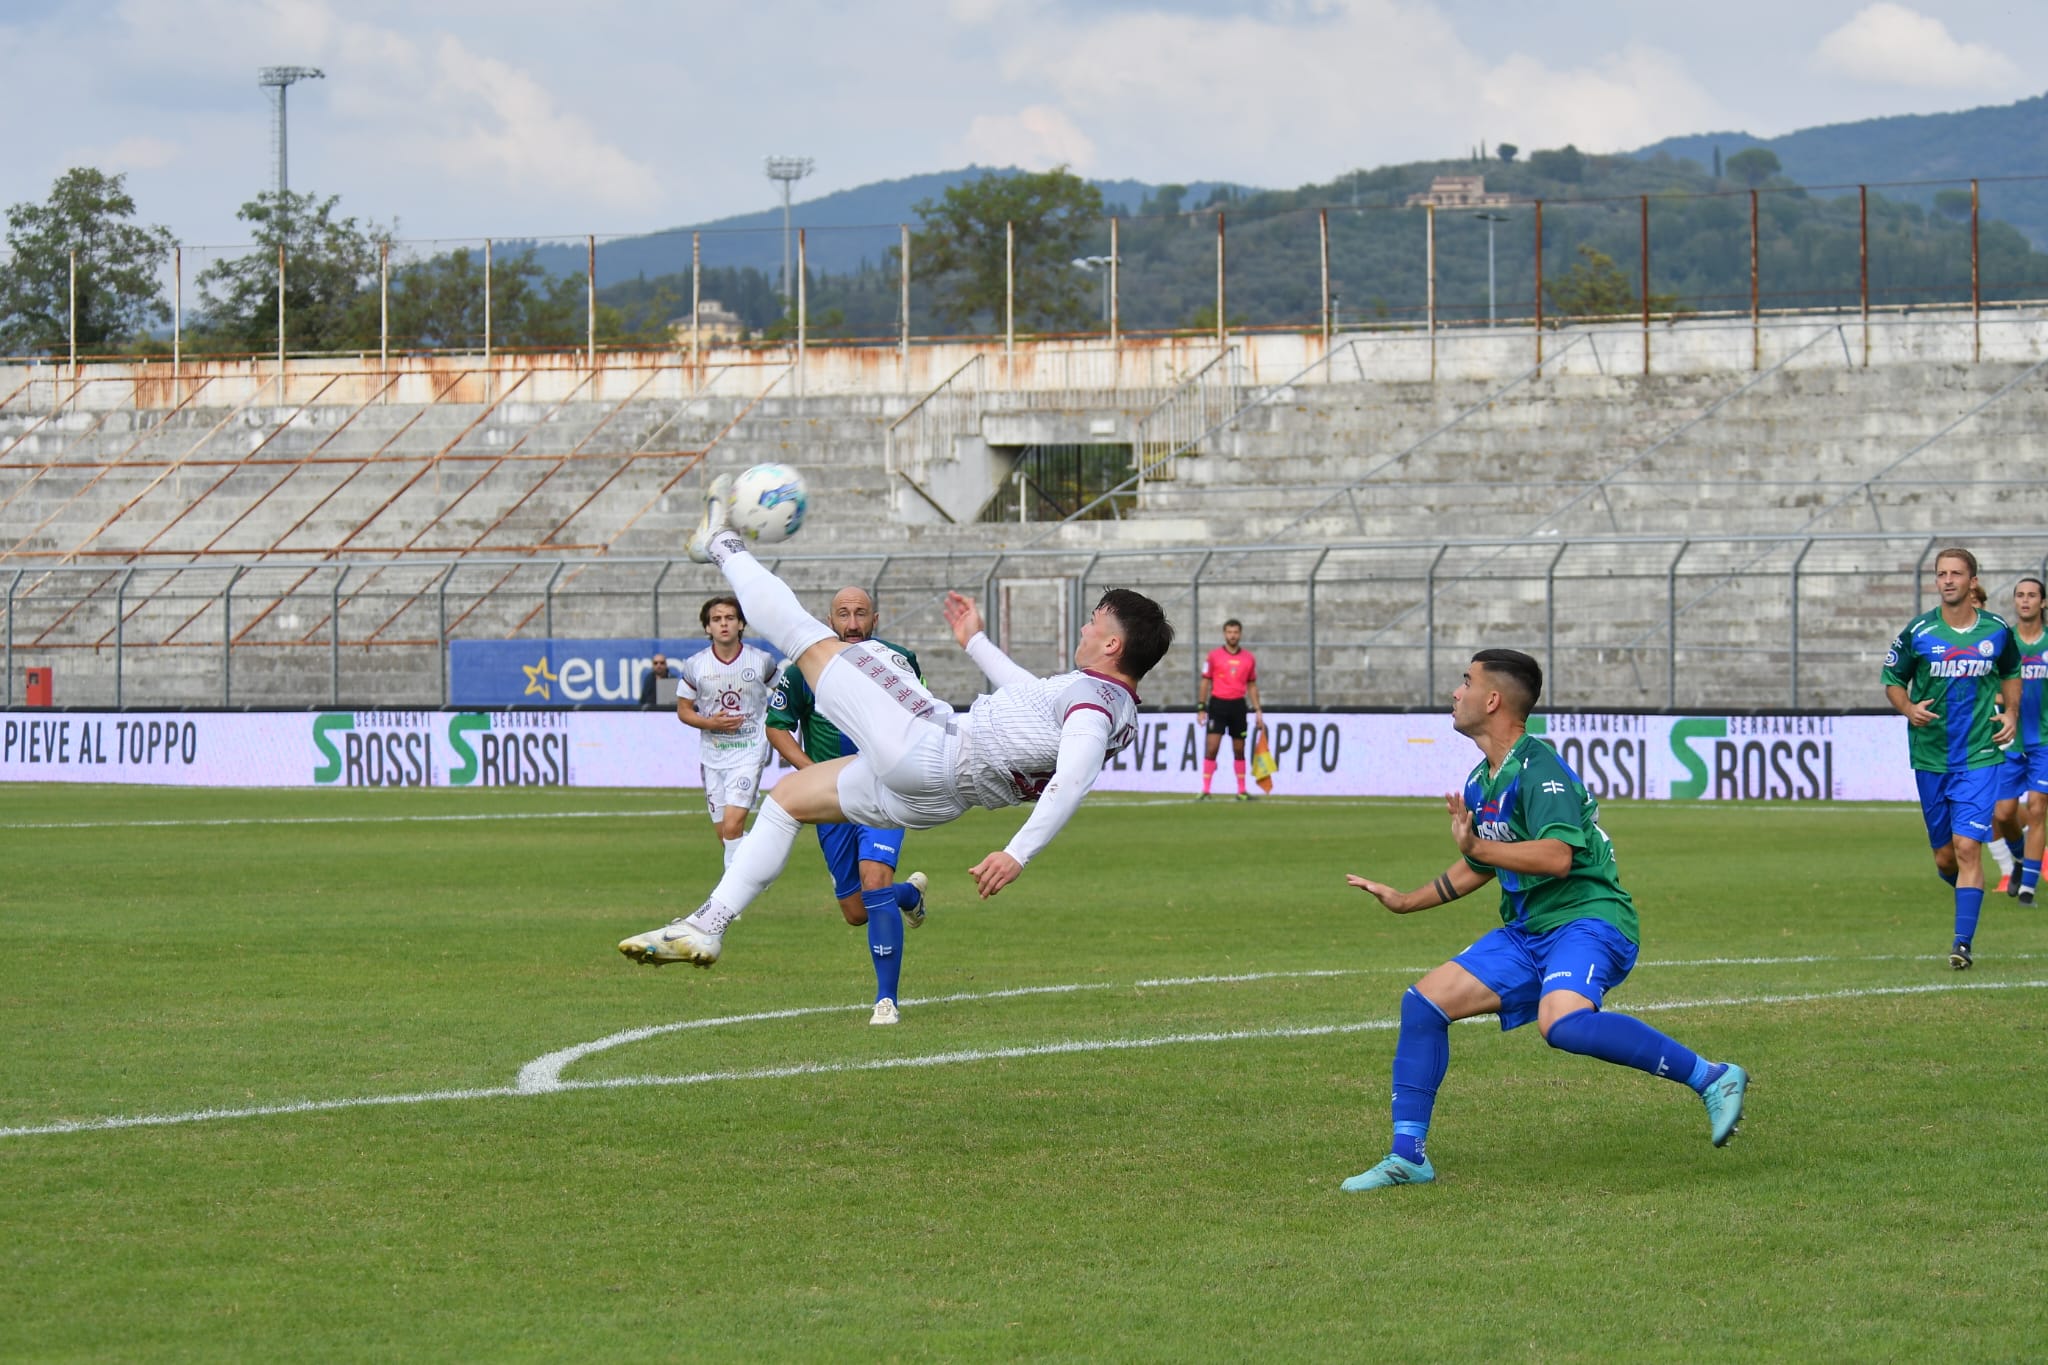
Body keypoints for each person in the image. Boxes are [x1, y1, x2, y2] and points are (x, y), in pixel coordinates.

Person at [617, 478, 1172, 968]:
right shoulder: (1107, 700)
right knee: (788, 797)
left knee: (803, 636)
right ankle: (707, 925)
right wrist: (974, 642)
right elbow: (1030, 699)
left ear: (1112, 643)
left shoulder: (1093, 708)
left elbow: (1073, 776)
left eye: (1093, 622)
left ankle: (719, 540)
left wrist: (1016, 853)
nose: (1084, 626)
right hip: (938, 794)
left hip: (931, 751)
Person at [1341, 648, 1748, 1192]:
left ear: (1492, 699)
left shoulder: (1542, 770)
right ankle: (1408, 1156)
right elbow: (1481, 863)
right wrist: (1406, 901)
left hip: (1589, 920)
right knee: (1424, 1003)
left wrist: (1481, 848)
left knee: (1563, 1023)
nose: (1455, 693)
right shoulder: (1482, 779)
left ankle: (1712, 1077)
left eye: (1465, 682)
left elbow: (1556, 856)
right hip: (1529, 931)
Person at [766, 585, 931, 1026]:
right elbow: (777, 726)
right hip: (832, 799)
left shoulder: (899, 661)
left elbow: (921, 717)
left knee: (874, 879)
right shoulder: (806, 666)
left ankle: (886, 1000)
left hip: (883, 791)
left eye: (861, 614)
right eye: (844, 614)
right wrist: (809, 772)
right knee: (857, 910)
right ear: (830, 620)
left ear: (875, 620)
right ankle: (909, 895)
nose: (853, 623)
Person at [1882, 547, 2021, 969]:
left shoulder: (1996, 630)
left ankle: (1962, 944)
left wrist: (2011, 712)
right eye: (1941, 573)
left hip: (1979, 755)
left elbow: (2012, 671)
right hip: (1930, 757)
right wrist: (1908, 709)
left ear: (1972, 580)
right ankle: (1967, 890)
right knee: (1945, 858)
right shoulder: (1920, 631)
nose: (1947, 580)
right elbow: (1891, 678)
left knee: (1967, 848)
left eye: (1956, 573)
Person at [672, 595, 776, 869]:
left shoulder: (761, 661)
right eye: (716, 620)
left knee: (732, 826)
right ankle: (760, 865)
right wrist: (710, 724)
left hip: (749, 751)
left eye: (730, 618)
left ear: (741, 623)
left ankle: (730, 899)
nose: (724, 624)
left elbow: (782, 693)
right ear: (708, 628)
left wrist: (778, 724)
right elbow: (683, 710)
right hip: (712, 755)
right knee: (726, 835)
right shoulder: (696, 665)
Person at [1996, 577, 2048, 905]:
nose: (2025, 601)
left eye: (2032, 596)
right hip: (2009, 740)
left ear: (2043, 603)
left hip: (2044, 740)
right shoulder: (2005, 642)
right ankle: (2018, 860)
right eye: (2020, 596)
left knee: (2038, 806)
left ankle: (2028, 888)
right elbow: (1989, 685)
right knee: (2003, 815)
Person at [1197, 618, 1263, 800]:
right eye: (1229, 632)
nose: (1232, 635)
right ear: (1224, 634)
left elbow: (1252, 685)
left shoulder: (1249, 658)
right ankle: (1206, 790)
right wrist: (1201, 707)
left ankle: (1241, 791)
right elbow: (1205, 682)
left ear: (1240, 634)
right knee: (1212, 747)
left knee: (1239, 749)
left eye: (1235, 632)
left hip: (1238, 706)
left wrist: (1258, 709)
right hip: (1218, 704)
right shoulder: (1213, 656)